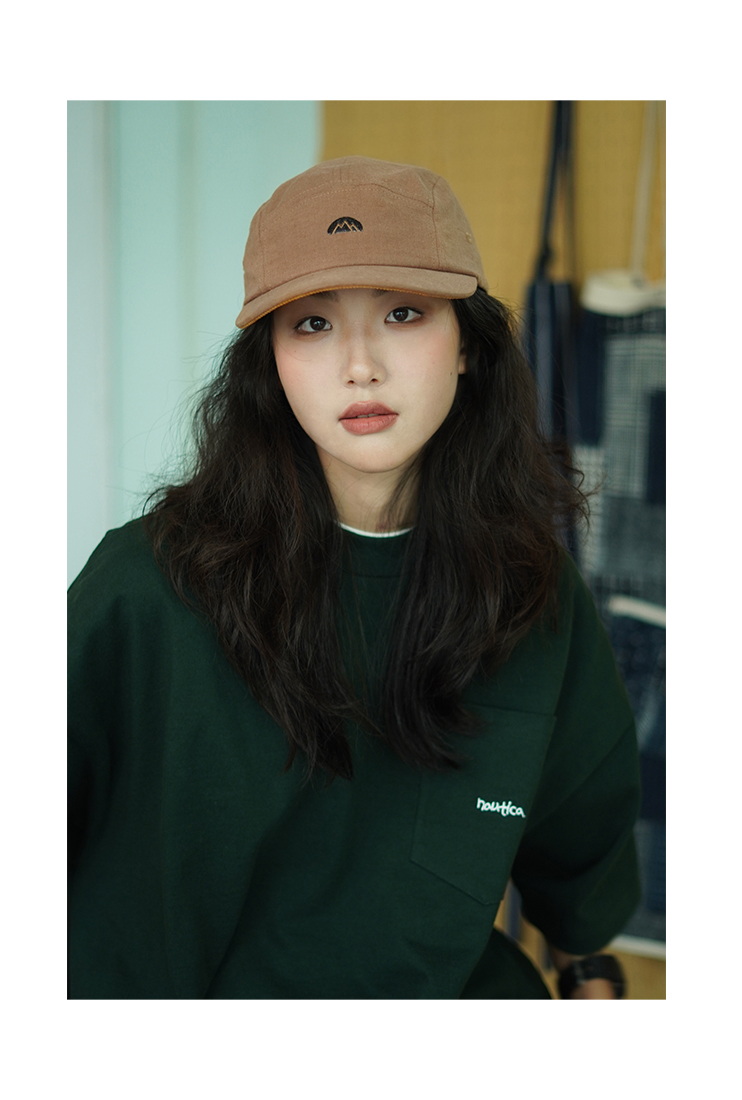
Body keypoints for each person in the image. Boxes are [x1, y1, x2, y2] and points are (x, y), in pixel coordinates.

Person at [68, 155, 640, 999]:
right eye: (312, 324)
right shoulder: (145, 590)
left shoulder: (530, 588)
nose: (361, 365)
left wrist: (589, 966)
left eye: (403, 313)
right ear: (269, 361)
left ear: (468, 345)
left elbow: (581, 842)